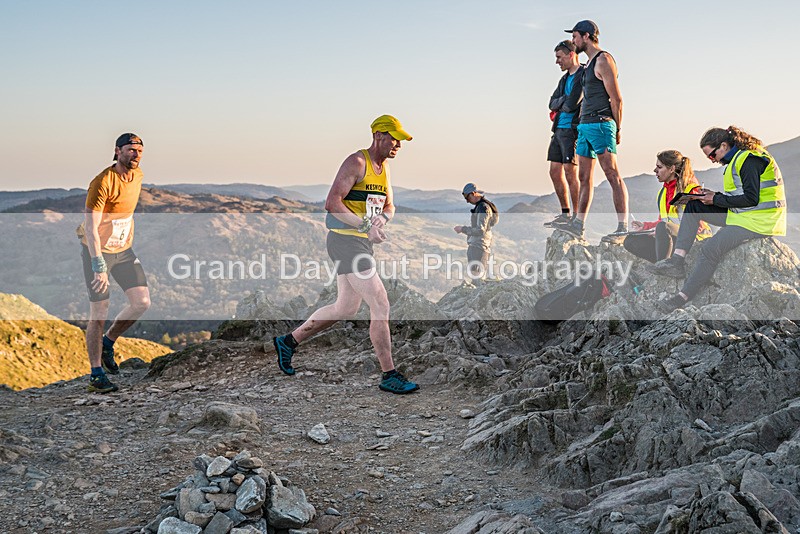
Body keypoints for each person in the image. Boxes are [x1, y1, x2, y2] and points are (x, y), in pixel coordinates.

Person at [273, 115, 419, 394]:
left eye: (400, 139)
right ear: (378, 135)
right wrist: (366, 224)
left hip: (361, 243)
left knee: (345, 308)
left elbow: (390, 206)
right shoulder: (357, 162)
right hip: (344, 241)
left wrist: (381, 221)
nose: (398, 144)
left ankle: (288, 342)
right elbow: (332, 202)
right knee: (380, 301)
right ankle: (389, 374)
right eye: (394, 137)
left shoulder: (384, 169)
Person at [648, 126, 787, 311]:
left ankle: (681, 298)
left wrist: (716, 199)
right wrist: (714, 196)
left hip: (759, 221)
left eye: (712, 155)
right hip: (744, 214)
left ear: (723, 145)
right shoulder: (739, 158)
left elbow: (751, 198)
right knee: (694, 206)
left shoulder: (750, 159)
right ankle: (677, 261)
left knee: (710, 249)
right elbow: (741, 195)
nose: (713, 161)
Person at [77, 133, 151, 393]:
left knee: (141, 302)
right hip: (97, 252)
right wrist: (98, 265)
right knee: (99, 313)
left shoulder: (138, 176)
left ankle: (109, 342)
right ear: (117, 151)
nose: (136, 155)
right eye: (130, 150)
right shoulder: (101, 182)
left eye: (139, 150)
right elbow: (91, 227)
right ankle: (96, 374)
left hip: (124, 250)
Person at [554, 20, 629, 240]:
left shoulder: (604, 60)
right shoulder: (587, 65)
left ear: (586, 36)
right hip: (585, 126)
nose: (573, 41)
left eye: (575, 36)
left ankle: (622, 226)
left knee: (612, 174)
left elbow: (617, 99)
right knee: (584, 176)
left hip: (601, 123)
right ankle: (579, 224)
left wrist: (616, 128)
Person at [623, 150, 711, 263]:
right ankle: (663, 263)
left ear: (671, 169)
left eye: (659, 167)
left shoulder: (691, 191)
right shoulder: (662, 193)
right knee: (630, 241)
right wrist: (645, 227)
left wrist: (663, 230)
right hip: (674, 238)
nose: (655, 170)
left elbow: (698, 227)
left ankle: (663, 266)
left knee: (663, 228)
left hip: (694, 241)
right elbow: (664, 221)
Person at [544, 39, 583, 227]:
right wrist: (562, 102)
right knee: (554, 171)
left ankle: (576, 216)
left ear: (571, 54)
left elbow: (572, 104)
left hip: (572, 130)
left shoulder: (582, 75)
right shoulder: (564, 78)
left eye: (559, 57)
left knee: (570, 171)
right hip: (558, 129)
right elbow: (551, 103)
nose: (557, 62)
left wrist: (563, 102)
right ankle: (565, 213)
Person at [453, 183, 497, 279]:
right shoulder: (481, 206)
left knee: (477, 277)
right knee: (476, 276)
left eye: (467, 198)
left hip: (479, 247)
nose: (467, 201)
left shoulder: (483, 207)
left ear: (473, 193)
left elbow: (480, 230)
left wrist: (462, 229)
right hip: (478, 246)